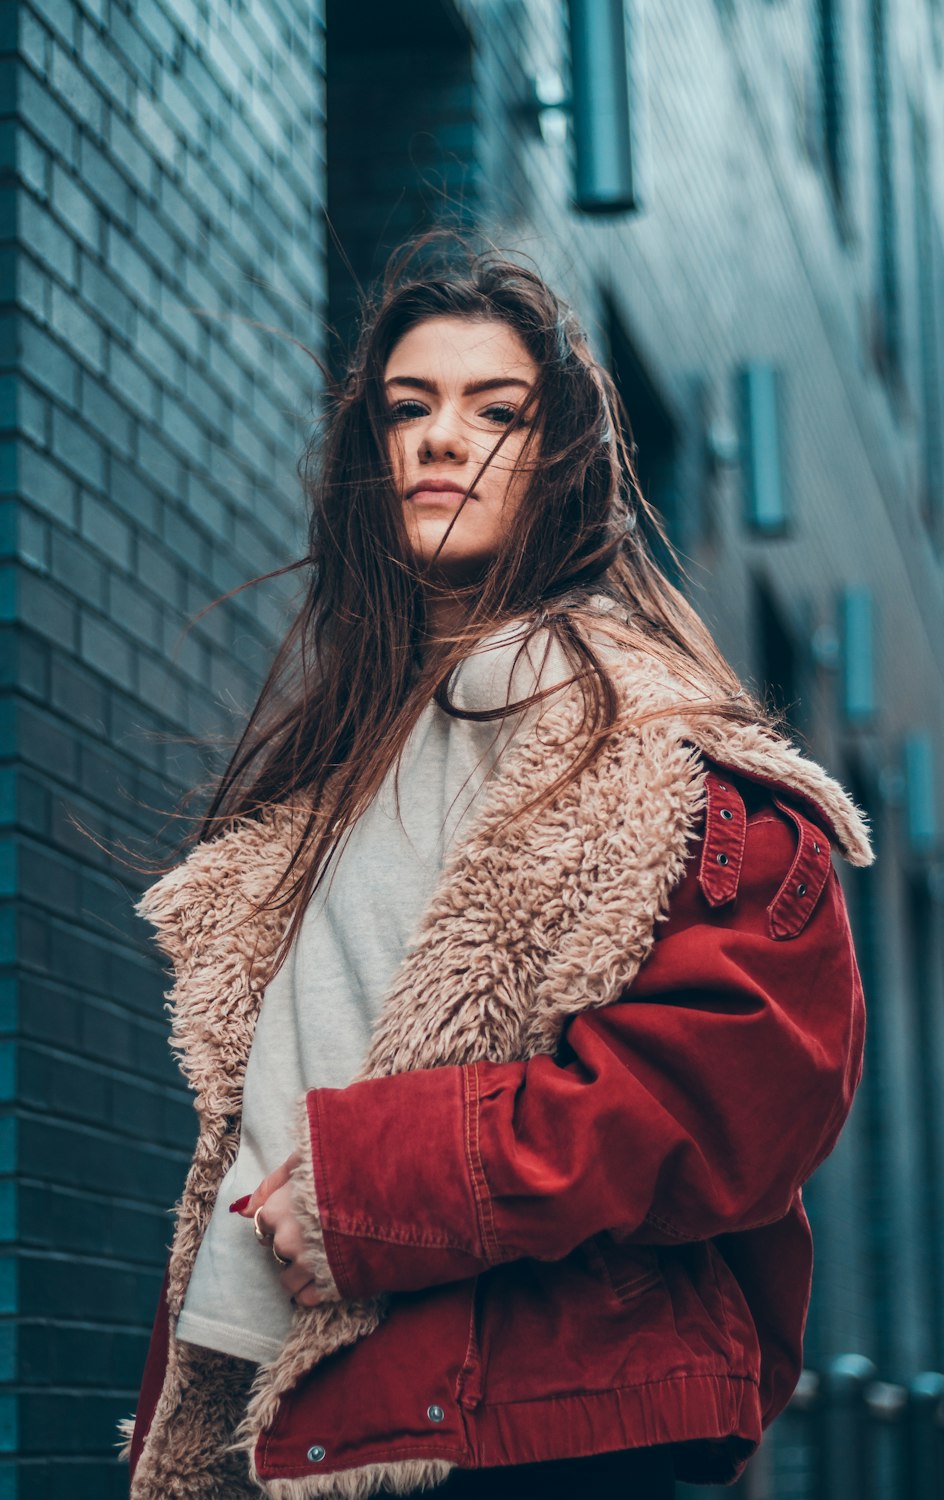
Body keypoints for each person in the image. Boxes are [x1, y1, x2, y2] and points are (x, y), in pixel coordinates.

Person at [118, 237, 874, 1500]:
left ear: (564, 458)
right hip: (303, 1413)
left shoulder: (642, 744)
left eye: (495, 412)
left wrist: (373, 1190)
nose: (441, 439)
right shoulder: (363, 758)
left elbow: (745, 1080)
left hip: (523, 1420)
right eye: (407, 409)